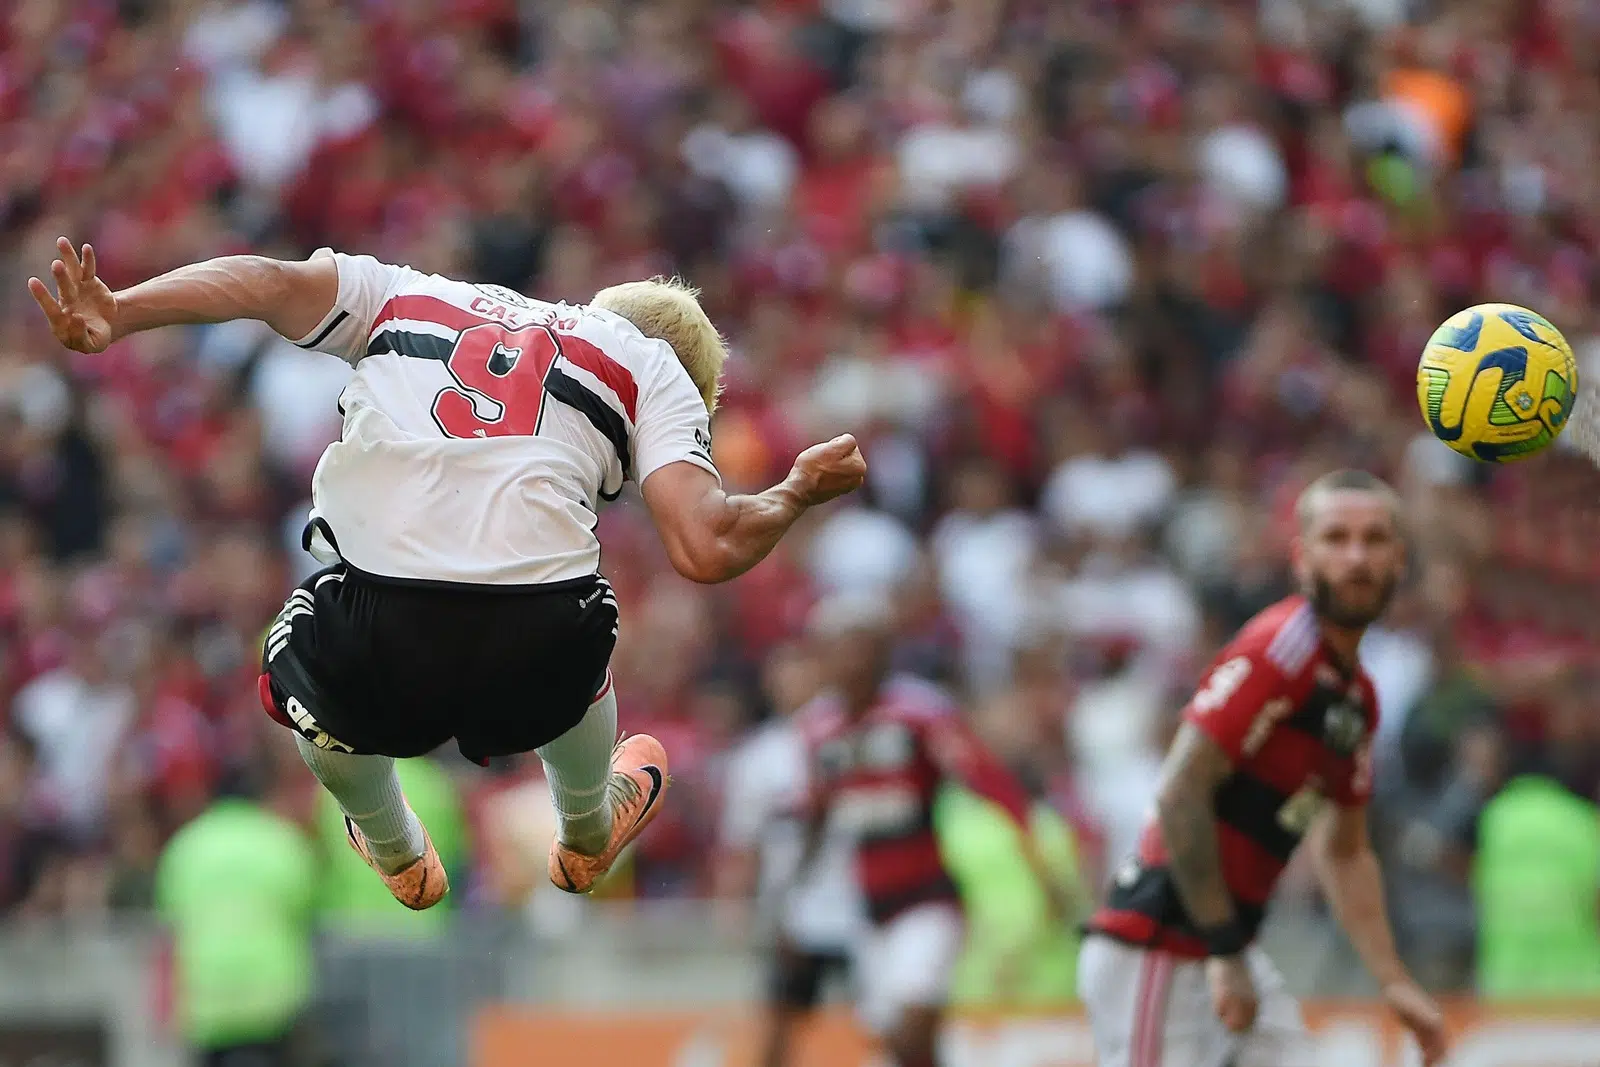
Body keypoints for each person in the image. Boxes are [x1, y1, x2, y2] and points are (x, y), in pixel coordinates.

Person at [30, 238, 867, 909]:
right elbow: (706, 549)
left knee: (305, 650)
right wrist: (794, 493)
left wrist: (125, 310)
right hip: (535, 656)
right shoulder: (649, 366)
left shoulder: (405, 292)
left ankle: (392, 843)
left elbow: (264, 281)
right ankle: (585, 826)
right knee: (584, 612)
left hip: (377, 641)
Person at [1078, 469, 1450, 1067]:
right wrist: (1223, 951)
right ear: (1302, 559)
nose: (1356, 557)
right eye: (1336, 538)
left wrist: (1393, 979)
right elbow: (1180, 794)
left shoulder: (1356, 699)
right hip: (1160, 945)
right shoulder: (1280, 650)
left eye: (1374, 539)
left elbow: (1345, 852)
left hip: (1225, 946)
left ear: (1399, 560)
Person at [792, 593, 1072, 1067]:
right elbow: (818, 813)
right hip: (868, 909)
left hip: (927, 899)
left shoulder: (919, 715)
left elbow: (989, 782)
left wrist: (1038, 862)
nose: (853, 660)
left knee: (910, 1027)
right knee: (904, 1048)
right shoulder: (818, 730)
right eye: (842, 648)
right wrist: (795, 897)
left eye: (863, 646)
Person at [716, 642, 866, 1067]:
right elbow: (743, 842)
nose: (790, 682)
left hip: (862, 897)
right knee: (781, 1016)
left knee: (881, 1014)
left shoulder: (853, 730)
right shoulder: (759, 756)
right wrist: (736, 905)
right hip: (796, 906)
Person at [154, 769, 317, 1067]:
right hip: (272, 996)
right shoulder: (280, 839)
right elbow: (306, 907)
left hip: (207, 997)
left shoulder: (187, 845)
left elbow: (170, 925)